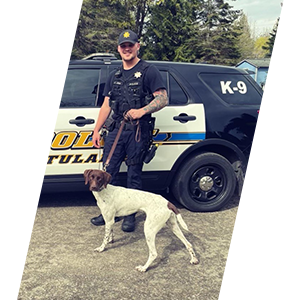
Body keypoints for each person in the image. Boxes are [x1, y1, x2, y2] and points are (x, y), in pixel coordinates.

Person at [91, 29, 168, 232]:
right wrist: (96, 130)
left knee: (134, 174)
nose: (127, 49)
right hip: (116, 130)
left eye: (130, 45)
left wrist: (142, 111)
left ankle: (130, 216)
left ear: (137, 46)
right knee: (109, 172)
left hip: (137, 131)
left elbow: (162, 98)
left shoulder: (148, 70)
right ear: (118, 49)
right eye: (123, 46)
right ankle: (109, 212)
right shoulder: (114, 75)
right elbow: (107, 105)